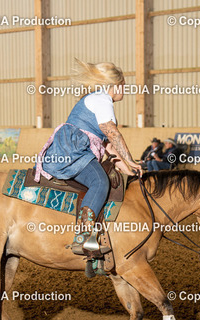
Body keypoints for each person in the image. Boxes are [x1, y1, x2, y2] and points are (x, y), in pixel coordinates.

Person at [35, 59, 142, 255]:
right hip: (73, 151)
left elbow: (108, 145)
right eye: (124, 85)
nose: (125, 90)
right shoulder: (103, 100)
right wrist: (131, 160)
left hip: (74, 149)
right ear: (116, 85)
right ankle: (83, 237)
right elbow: (113, 133)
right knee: (99, 182)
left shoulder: (98, 99)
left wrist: (128, 169)